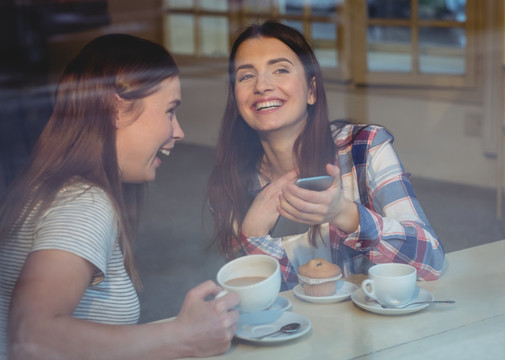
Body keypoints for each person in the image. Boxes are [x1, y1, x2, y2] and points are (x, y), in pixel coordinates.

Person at [0, 34, 239, 359]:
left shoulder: (47, 188)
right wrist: (183, 336)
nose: (179, 131)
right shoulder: (84, 202)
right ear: (117, 109)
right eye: (170, 111)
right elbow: (30, 336)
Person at [207, 20, 445, 291]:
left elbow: (431, 262)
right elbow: (268, 303)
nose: (262, 85)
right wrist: (253, 236)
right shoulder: (229, 184)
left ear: (311, 90)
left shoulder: (364, 148)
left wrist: (346, 213)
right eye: (246, 76)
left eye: (280, 70)